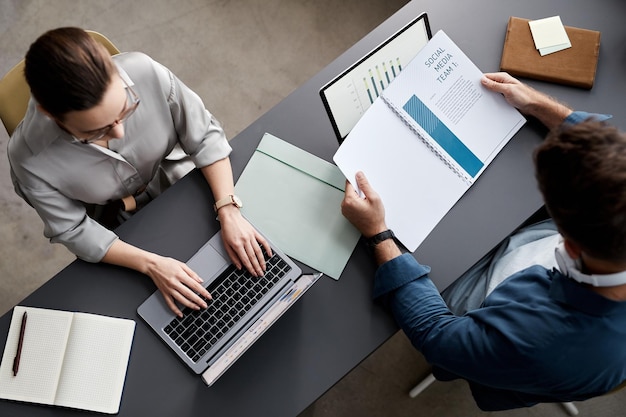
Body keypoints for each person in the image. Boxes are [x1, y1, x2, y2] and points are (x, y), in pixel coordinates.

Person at [341, 72, 626, 410]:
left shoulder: (537, 339)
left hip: (502, 312)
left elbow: (436, 334)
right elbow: (611, 158)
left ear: (572, 245)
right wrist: (536, 104)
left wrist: (378, 233)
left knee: (427, 247)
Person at [8, 27, 271, 318]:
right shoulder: (29, 160)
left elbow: (205, 136)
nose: (119, 132)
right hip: (117, 225)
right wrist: (152, 265)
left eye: (125, 109)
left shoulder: (143, 71)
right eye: (95, 131)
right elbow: (73, 230)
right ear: (50, 113)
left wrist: (229, 209)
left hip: (182, 179)